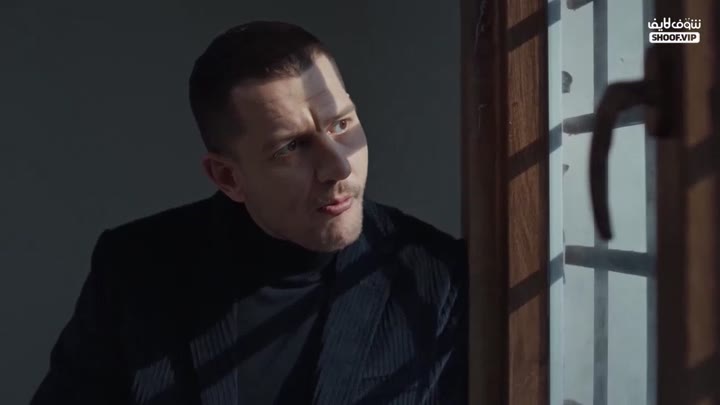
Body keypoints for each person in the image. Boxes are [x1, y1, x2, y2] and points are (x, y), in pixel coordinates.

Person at [30, 21, 468, 405]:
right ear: (227, 177)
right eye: (291, 147)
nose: (338, 167)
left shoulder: (436, 275)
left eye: (342, 124)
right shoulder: (134, 271)